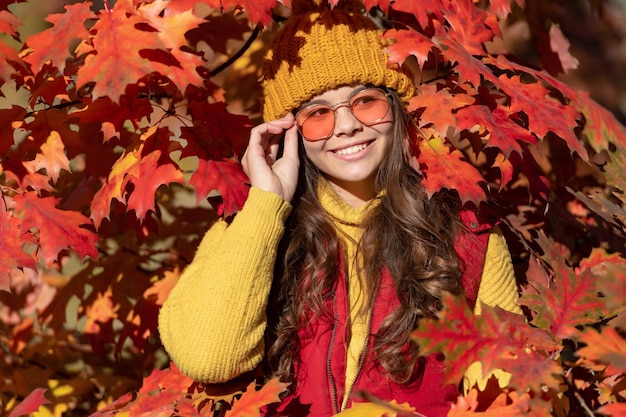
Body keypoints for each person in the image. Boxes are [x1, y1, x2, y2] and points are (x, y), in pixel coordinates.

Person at [159, 1, 521, 416]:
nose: (347, 125)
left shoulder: (468, 242)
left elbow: (504, 399)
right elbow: (209, 358)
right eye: (317, 114)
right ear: (289, 135)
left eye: (365, 101)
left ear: (397, 111)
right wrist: (266, 205)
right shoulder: (248, 232)